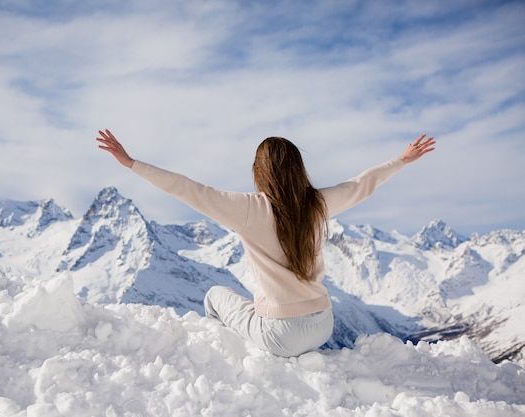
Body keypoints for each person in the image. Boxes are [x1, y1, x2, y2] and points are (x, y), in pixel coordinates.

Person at [96, 129, 435, 357]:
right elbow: (362, 184)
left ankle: (227, 361)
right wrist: (401, 160)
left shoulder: (248, 209)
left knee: (216, 295)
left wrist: (131, 163)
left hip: (281, 337)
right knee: (251, 304)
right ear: (298, 169)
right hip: (323, 324)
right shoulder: (318, 204)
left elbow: (188, 189)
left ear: (259, 171)